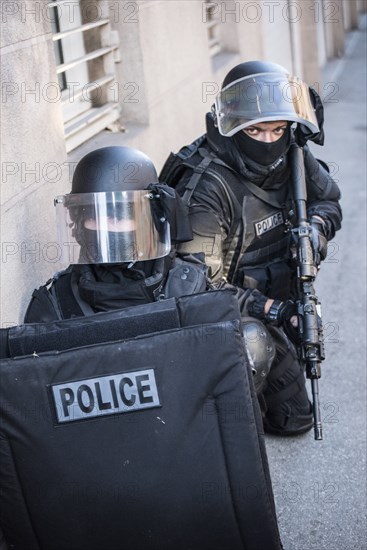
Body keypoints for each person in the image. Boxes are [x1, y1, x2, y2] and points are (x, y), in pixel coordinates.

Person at [160, 60, 343, 436]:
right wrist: (276, 311)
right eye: (256, 130)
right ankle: (216, 433)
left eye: (276, 128)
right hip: (225, 318)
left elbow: (329, 201)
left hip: (275, 299)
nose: (268, 141)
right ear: (234, 126)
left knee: (295, 420)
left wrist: (316, 231)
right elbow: (201, 289)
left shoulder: (292, 151)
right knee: (253, 347)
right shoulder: (209, 187)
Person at [24, 145, 274, 394]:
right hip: (97, 430)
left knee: (252, 342)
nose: (106, 228)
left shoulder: (186, 285)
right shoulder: (56, 302)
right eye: (94, 216)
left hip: (181, 420)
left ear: (150, 218)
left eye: (120, 216)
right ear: (78, 223)